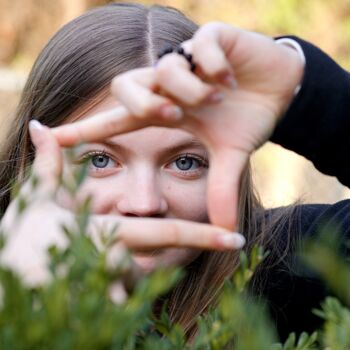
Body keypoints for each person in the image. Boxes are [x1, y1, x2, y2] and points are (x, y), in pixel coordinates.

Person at [1, 2, 350, 341]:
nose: (144, 203)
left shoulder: (289, 269)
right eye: (100, 160)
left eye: (185, 163)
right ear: (31, 163)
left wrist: (307, 93)